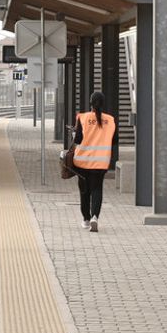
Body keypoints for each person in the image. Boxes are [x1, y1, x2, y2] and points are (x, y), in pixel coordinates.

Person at [71, 91, 117, 233]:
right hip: (101, 163)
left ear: (90, 103)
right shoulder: (110, 120)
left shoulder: (83, 118)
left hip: (83, 162)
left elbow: (77, 140)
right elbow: (114, 140)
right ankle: (95, 217)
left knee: (84, 191)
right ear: (103, 103)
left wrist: (74, 133)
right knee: (97, 189)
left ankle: (86, 219)